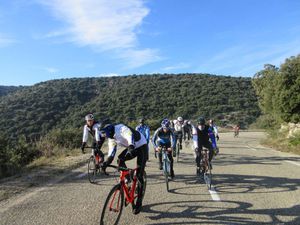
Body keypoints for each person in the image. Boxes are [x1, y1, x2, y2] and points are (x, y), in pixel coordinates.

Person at [100, 120, 148, 215]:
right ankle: (129, 180)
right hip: (132, 147)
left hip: (141, 145)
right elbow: (111, 153)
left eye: (104, 133)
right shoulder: (111, 137)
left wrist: (130, 146)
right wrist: (106, 163)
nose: (103, 135)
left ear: (108, 129)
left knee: (139, 174)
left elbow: (129, 136)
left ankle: (139, 201)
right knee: (120, 160)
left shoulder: (121, 128)